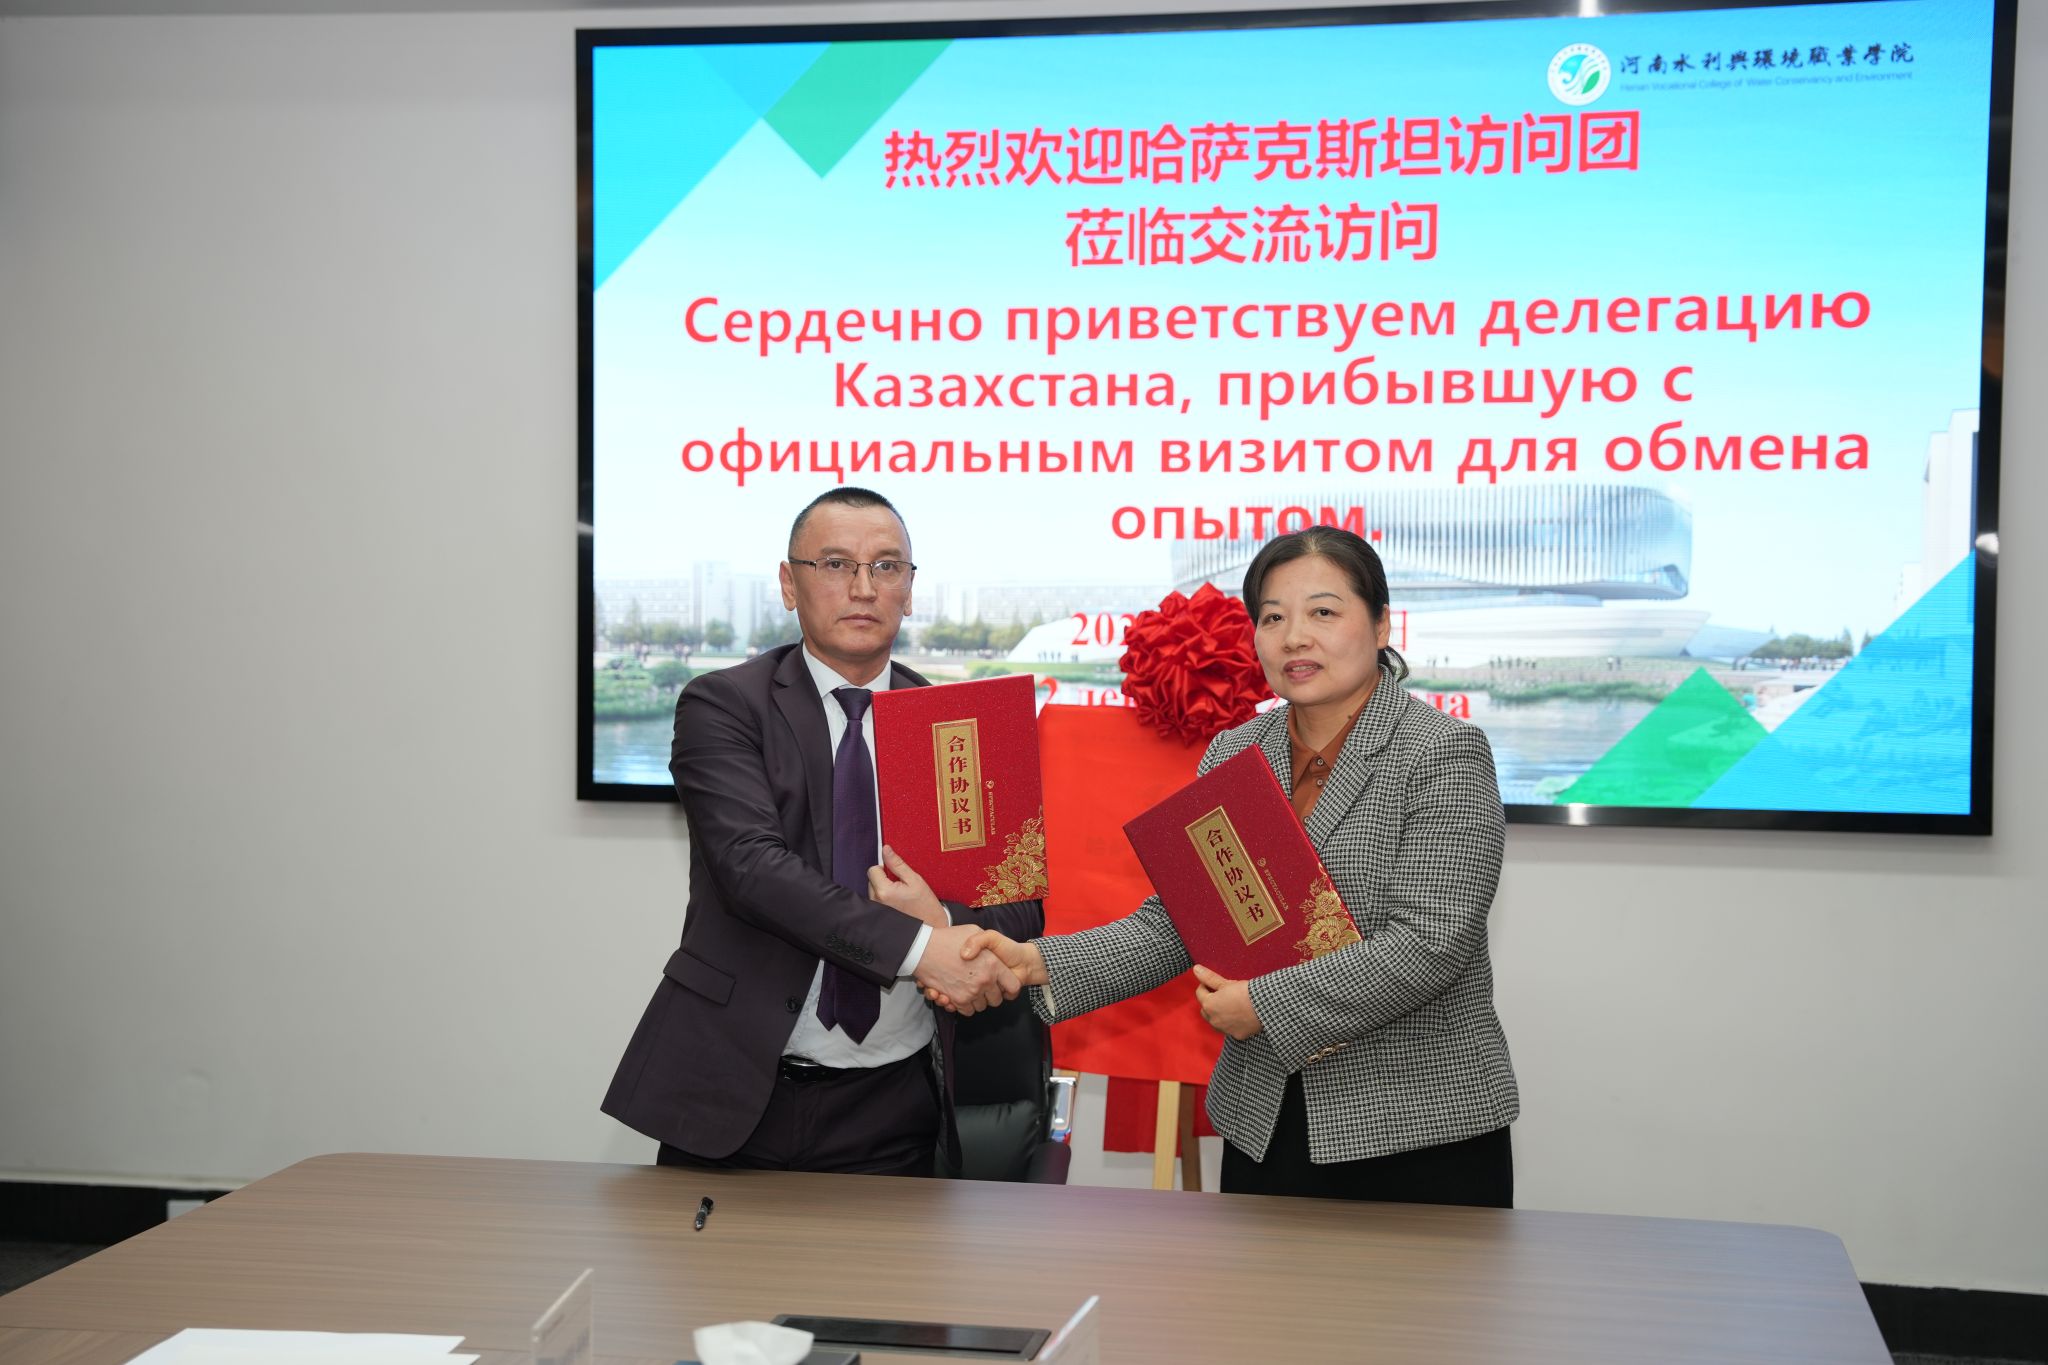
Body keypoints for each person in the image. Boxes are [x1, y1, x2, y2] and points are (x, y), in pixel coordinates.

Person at [933, 527, 1518, 1205]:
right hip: (1263, 1121)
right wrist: (1035, 961)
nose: (1295, 637)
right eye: (1273, 617)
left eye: (1323, 612)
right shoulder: (1236, 753)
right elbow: (1180, 922)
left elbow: (1430, 944)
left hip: (1413, 1129)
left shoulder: (1442, 751)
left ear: (1382, 623)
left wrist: (1263, 1005)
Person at [602, 487, 1041, 1176]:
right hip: (738, 1090)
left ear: (910, 588)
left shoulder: (960, 725)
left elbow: (1019, 901)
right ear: (789, 583)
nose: (864, 588)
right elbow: (752, 870)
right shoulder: (724, 704)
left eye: (887, 566)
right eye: (836, 564)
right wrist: (921, 948)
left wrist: (944, 923)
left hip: (896, 1099)